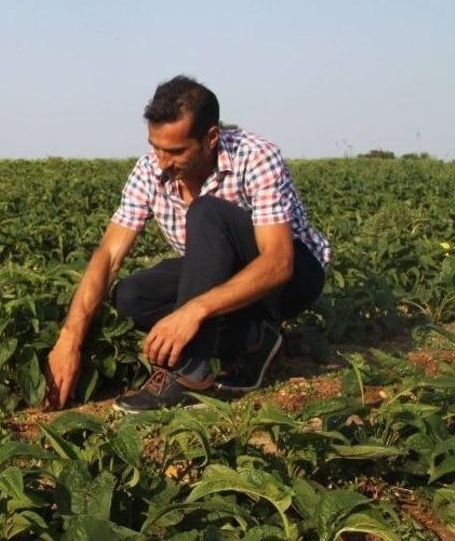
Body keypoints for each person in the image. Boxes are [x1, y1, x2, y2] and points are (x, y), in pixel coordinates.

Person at [44, 75, 329, 413]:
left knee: (207, 211)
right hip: (225, 279)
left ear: (210, 138)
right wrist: (69, 340)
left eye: (176, 151)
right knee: (131, 297)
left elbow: (279, 263)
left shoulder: (254, 156)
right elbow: (108, 255)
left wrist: (194, 310)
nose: (162, 162)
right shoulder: (150, 169)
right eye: (155, 146)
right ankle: (252, 339)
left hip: (291, 277)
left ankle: (190, 373)